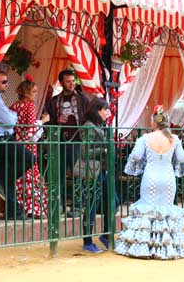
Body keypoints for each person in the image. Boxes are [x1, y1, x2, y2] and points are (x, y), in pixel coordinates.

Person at [115, 105, 184, 259]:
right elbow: (182, 158)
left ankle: (144, 249)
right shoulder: (174, 139)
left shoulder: (145, 138)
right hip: (168, 178)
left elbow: (136, 156)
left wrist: (140, 163)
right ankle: (165, 249)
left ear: (154, 122)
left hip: (150, 178)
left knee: (147, 210)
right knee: (165, 211)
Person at [0, 65, 35, 220]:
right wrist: (12, 117)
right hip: (0, 140)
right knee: (29, 158)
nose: (7, 84)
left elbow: (10, 118)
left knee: (10, 173)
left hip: (2, 139)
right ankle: (3, 180)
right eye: (4, 82)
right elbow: (10, 121)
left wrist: (11, 116)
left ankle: (13, 211)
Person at [47, 69, 89, 216]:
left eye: (73, 81)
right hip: (60, 141)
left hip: (78, 140)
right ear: (61, 83)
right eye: (68, 81)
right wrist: (56, 120)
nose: (71, 84)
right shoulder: (54, 101)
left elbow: (90, 117)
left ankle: (77, 207)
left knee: (78, 174)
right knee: (59, 175)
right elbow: (48, 121)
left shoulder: (82, 99)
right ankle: (59, 205)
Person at [77, 98, 116, 253]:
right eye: (104, 110)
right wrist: (104, 150)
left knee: (113, 201)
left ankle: (105, 235)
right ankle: (87, 241)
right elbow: (85, 152)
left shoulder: (98, 126)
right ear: (97, 110)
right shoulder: (88, 127)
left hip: (102, 170)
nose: (107, 113)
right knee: (92, 206)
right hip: (94, 171)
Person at [9, 76, 50, 218]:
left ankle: (21, 206)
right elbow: (31, 128)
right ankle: (34, 208)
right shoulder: (30, 106)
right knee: (31, 176)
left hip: (17, 142)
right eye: (34, 91)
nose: (36, 94)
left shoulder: (14, 105)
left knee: (20, 176)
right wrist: (43, 121)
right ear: (26, 93)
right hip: (28, 145)